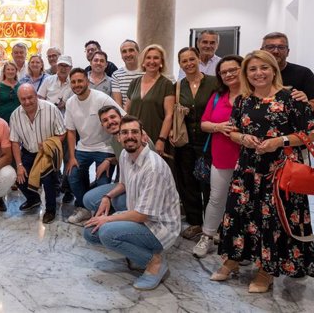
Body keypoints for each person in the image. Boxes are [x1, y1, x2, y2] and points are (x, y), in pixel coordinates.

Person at [213, 50, 314, 293]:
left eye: (263, 68)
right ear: (246, 74)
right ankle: (233, 259)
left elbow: (311, 133)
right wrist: (244, 138)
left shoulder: (291, 98)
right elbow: (233, 131)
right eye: (252, 69)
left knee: (271, 221)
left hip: (279, 172)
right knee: (238, 215)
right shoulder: (243, 100)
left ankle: (266, 271)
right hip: (247, 171)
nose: (258, 73)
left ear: (274, 70)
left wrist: (278, 141)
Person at [83, 116, 181, 291]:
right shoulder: (124, 155)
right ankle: (136, 251)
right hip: (141, 217)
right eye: (125, 132)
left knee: (106, 232)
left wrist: (108, 220)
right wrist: (106, 197)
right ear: (119, 138)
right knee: (90, 233)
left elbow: (143, 215)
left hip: (160, 227)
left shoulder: (153, 167)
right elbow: (124, 184)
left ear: (144, 137)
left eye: (135, 132)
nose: (130, 136)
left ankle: (155, 262)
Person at [193, 55, 243, 258]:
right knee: (216, 199)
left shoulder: (253, 96)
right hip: (221, 157)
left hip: (248, 159)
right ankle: (207, 236)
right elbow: (204, 123)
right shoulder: (217, 97)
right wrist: (218, 127)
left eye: (233, 70)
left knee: (242, 203)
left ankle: (239, 243)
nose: (229, 74)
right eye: (224, 72)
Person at [65, 68, 125, 225]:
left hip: (105, 148)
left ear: (87, 81)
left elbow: (122, 116)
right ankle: (84, 208)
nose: (77, 84)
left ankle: (103, 214)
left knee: (102, 182)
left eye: (80, 81)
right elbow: (70, 132)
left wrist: (140, 132)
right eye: (74, 82)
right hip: (83, 147)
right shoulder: (71, 103)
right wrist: (71, 157)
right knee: (73, 176)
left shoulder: (101, 99)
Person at [173, 47, 218, 240]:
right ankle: (195, 222)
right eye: (184, 61)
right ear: (180, 64)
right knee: (187, 183)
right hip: (185, 143)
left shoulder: (214, 83)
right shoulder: (178, 86)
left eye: (192, 59)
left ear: (199, 59)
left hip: (208, 142)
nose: (189, 64)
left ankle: (211, 225)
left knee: (208, 184)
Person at [10, 84, 66, 224]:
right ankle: (33, 199)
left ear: (36, 96)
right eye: (23, 99)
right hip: (28, 151)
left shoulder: (51, 109)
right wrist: (19, 165)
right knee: (19, 177)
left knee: (47, 180)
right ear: (19, 100)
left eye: (30, 97)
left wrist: (48, 144)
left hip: (47, 153)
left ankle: (50, 210)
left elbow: (62, 133)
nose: (27, 102)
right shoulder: (15, 115)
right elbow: (15, 142)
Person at [126, 44, 175, 158]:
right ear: (143, 61)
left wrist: (161, 140)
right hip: (134, 136)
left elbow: (169, 115)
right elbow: (126, 111)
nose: (152, 61)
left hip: (155, 135)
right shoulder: (134, 82)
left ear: (161, 62)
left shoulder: (166, 84)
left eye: (156, 58)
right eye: (148, 57)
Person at [37, 55, 74, 203]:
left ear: (70, 68)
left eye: (66, 66)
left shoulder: (74, 82)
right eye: (60, 66)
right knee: (53, 158)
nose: (63, 68)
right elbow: (39, 98)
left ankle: (67, 188)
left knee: (68, 158)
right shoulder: (48, 80)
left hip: (69, 126)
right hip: (50, 126)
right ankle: (56, 185)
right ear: (56, 67)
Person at [261, 32, 314, 115]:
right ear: (261, 51)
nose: (275, 51)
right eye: (270, 47)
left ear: (288, 52)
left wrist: (303, 102)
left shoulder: (303, 73)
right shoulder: (253, 75)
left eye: (281, 47)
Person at [112, 39, 143, 109]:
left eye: (131, 50)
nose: (128, 54)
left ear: (138, 52)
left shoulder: (147, 72)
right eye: (124, 52)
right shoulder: (116, 75)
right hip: (126, 117)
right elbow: (118, 104)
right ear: (121, 56)